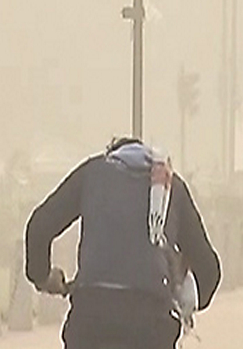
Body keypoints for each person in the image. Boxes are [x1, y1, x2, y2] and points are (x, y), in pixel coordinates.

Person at [26, 136, 221, 349]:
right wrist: (184, 299)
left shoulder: (92, 174)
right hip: (151, 328)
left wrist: (43, 277)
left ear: (111, 155)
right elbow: (209, 272)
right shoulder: (171, 188)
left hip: (91, 323)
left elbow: (39, 227)